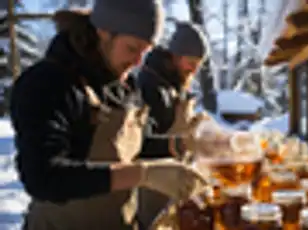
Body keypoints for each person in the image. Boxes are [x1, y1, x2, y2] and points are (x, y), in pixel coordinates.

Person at [10, 1, 206, 230]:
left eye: (146, 52)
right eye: (132, 48)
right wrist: (142, 175)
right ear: (102, 33)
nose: (137, 63)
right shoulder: (49, 83)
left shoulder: (123, 85)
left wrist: (182, 144)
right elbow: (44, 177)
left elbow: (131, 146)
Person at [136, 21, 211, 229]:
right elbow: (139, 144)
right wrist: (180, 144)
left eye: (199, 63)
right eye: (191, 61)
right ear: (175, 56)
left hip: (173, 180)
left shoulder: (174, 84)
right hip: (152, 187)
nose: (194, 69)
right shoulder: (149, 86)